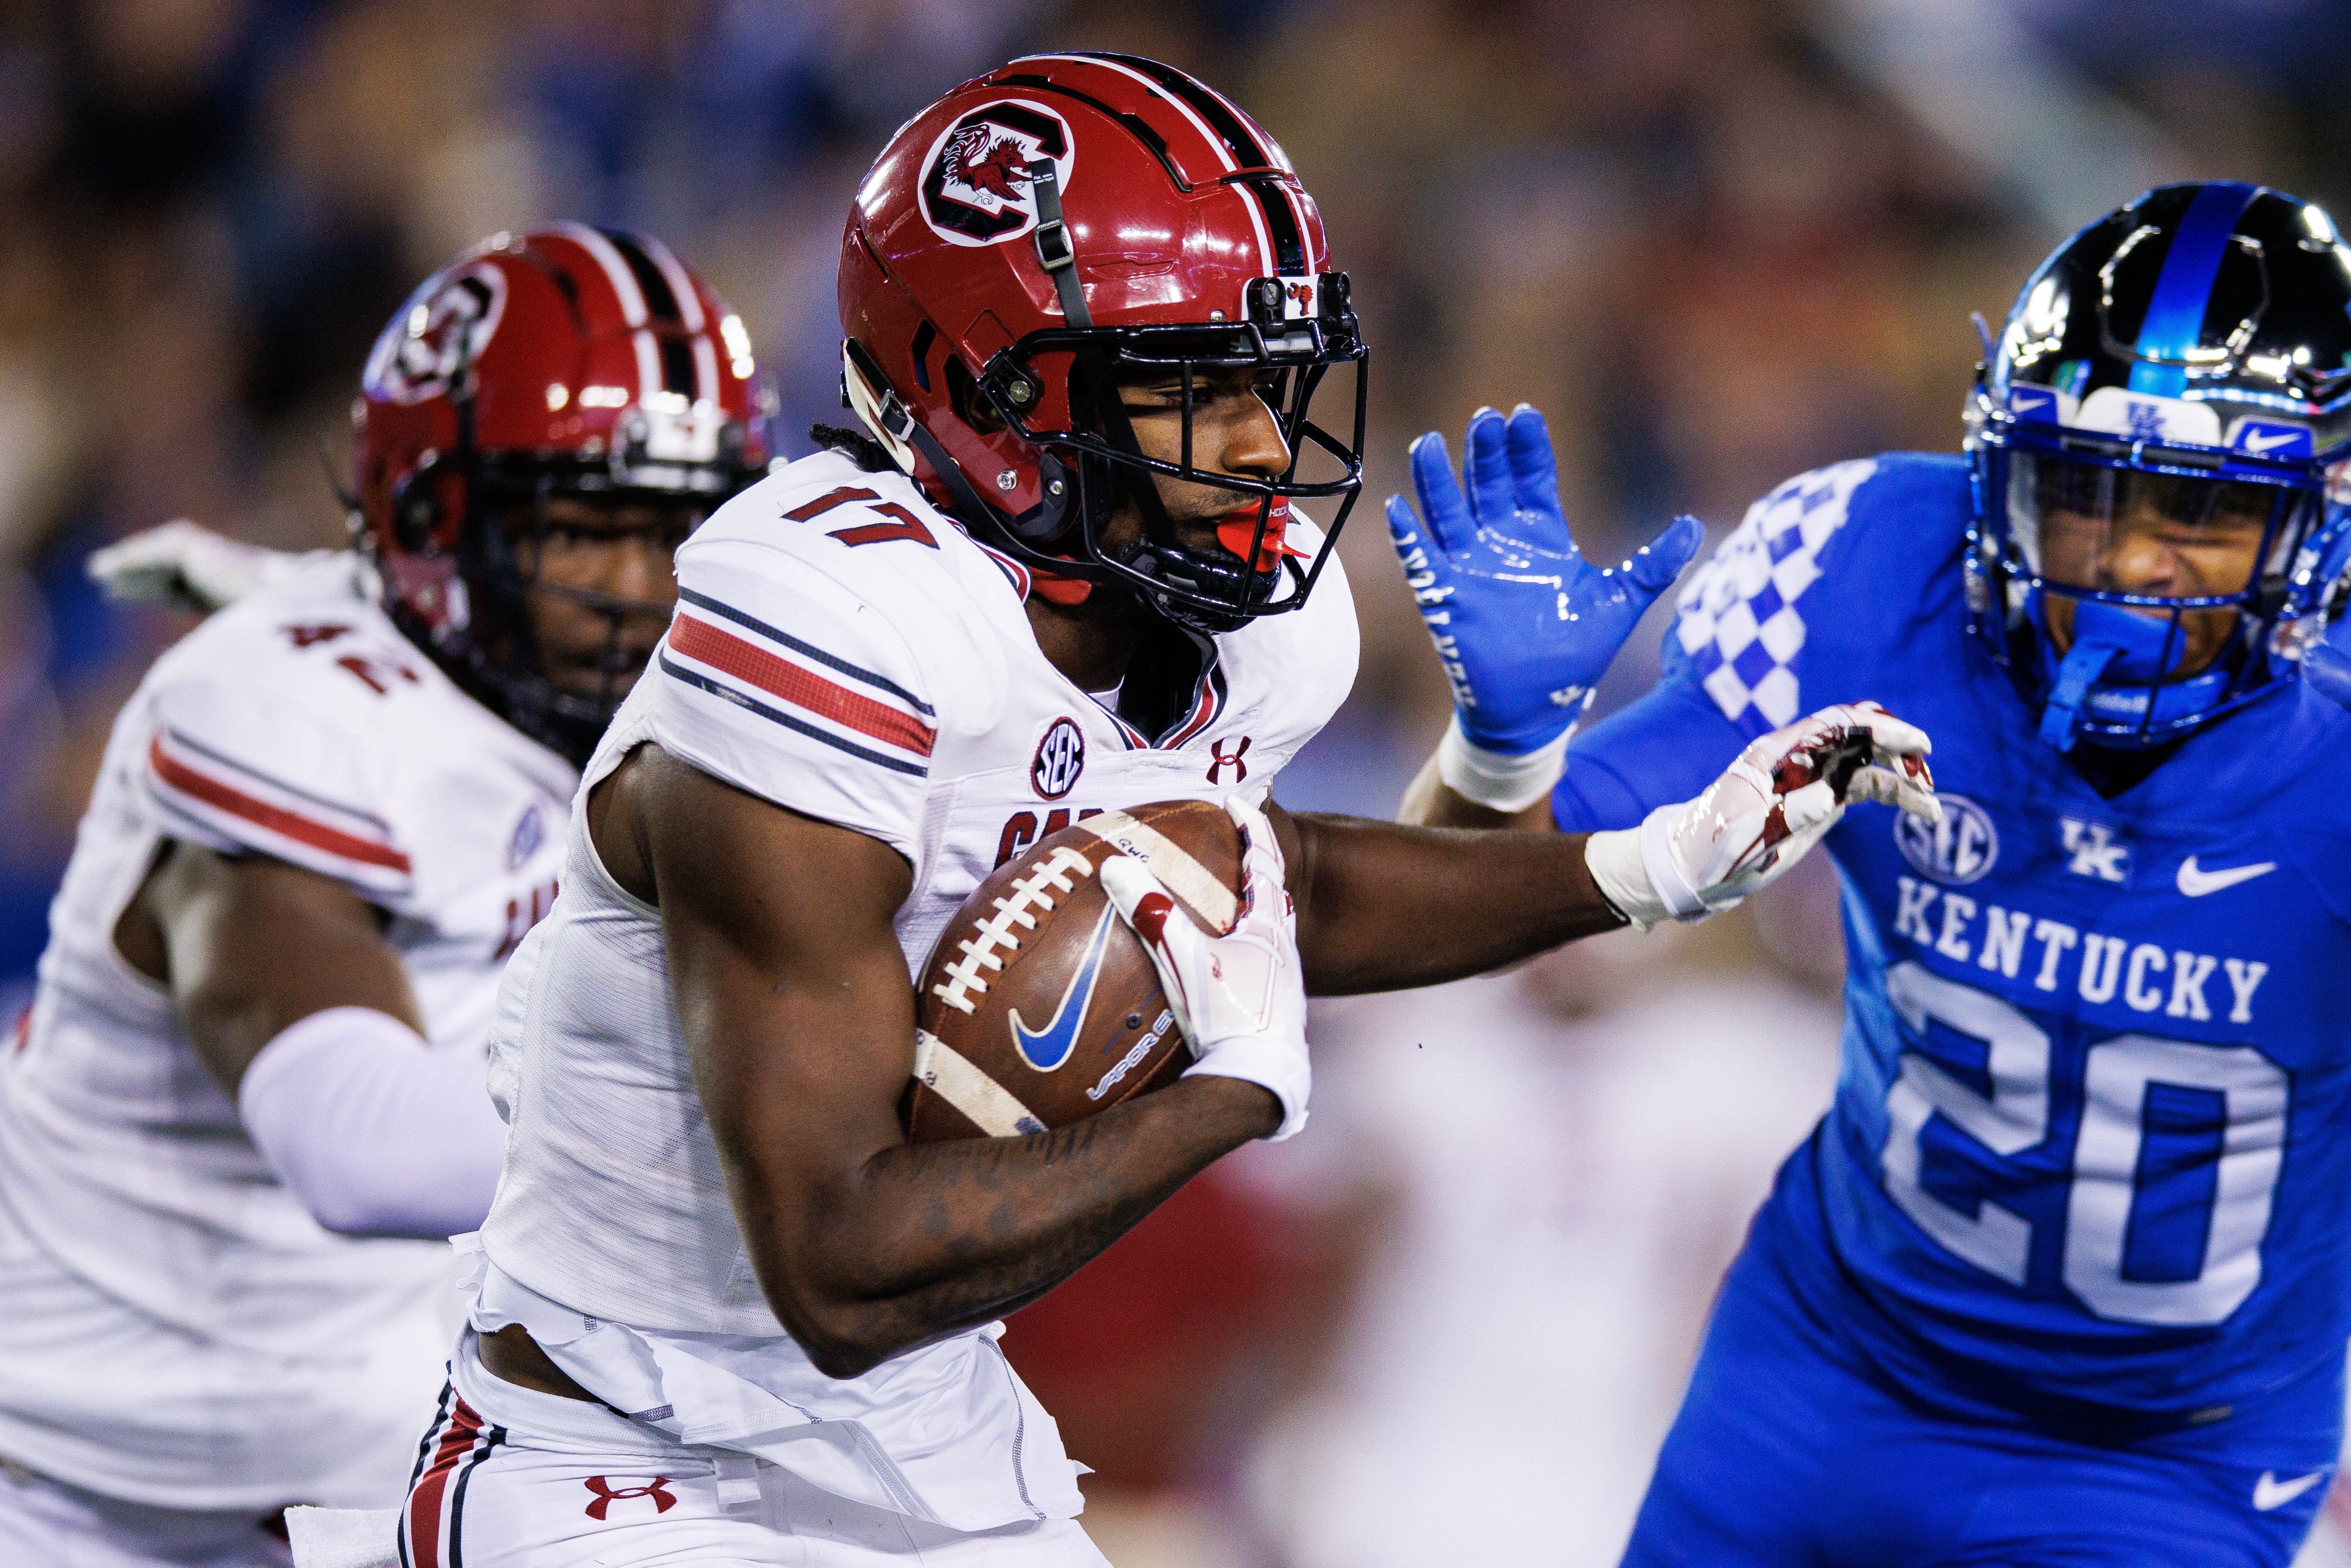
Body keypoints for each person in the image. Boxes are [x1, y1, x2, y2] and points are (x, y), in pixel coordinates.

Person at [411, 52, 1938, 1568]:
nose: (1267, 448)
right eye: (1194, 395)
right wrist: (1236, 1096)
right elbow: (837, 1262)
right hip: (623, 1463)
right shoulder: (829, 614)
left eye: (1271, 386)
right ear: (979, 394)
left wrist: (1625, 850)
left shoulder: (1248, 625)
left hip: (927, 1440)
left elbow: (1292, 897)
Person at [1393, 180, 2351, 1567]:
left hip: (2160, 1464)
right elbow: (1470, 911)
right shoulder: (1868, 573)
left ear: (2319, 522)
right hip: (1821, 1366)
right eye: (2086, 494)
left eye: (2197, 510)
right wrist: (1498, 755)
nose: (2133, 567)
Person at [0, 224, 770, 1567]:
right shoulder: (287, 727)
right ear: (432, 522)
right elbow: (358, 1145)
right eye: (590, 530)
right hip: (65, 1503)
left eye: (683, 529)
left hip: (352, 1496)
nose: (649, 592)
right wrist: (782, 1087)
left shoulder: (602, 707)